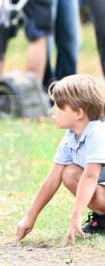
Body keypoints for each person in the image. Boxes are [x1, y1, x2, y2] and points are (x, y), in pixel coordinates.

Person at [15, 74, 105, 244]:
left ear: (78, 113)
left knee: (82, 178)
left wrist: (75, 217)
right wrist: (30, 217)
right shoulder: (71, 135)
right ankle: (102, 220)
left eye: (58, 106)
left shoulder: (97, 133)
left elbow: (90, 177)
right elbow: (52, 178)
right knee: (69, 172)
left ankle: (101, 219)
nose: (52, 111)